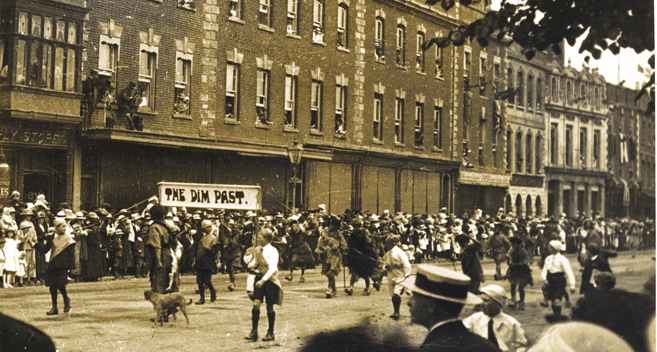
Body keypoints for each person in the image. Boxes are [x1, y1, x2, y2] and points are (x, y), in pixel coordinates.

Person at [405, 265, 499, 352]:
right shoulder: (486, 345)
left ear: (431, 307)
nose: (408, 302)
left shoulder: (431, 348)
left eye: (414, 297)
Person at [244, 228, 283, 342]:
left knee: (269, 306)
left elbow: (272, 269)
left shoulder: (273, 251)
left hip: (269, 280)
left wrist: (263, 280)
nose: (258, 239)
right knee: (256, 304)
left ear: (267, 238)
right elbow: (256, 262)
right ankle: (254, 331)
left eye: (260, 237)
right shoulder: (257, 250)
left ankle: (270, 332)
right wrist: (250, 264)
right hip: (259, 278)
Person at [462, 285, 528, 352]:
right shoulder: (474, 319)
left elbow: (521, 347)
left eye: (486, 300)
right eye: (481, 299)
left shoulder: (512, 324)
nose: (481, 303)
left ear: (498, 304)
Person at [35, 218, 75, 315]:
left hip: (63, 266)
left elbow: (71, 255)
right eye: (62, 226)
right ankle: (54, 308)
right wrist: (35, 244)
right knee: (52, 287)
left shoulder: (69, 239)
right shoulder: (51, 238)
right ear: (56, 228)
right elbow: (45, 250)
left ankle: (66, 300)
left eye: (65, 226)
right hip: (53, 265)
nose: (64, 228)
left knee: (61, 284)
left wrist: (71, 268)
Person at [540, 240, 576, 321]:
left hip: (559, 280)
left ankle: (557, 317)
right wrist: (544, 279)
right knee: (552, 300)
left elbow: (568, 271)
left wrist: (572, 285)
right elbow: (545, 270)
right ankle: (556, 315)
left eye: (550, 247)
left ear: (554, 249)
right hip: (550, 280)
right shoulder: (548, 258)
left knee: (557, 300)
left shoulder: (562, 259)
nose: (548, 248)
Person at [344, 218, 380, 296]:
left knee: (366, 274)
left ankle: (367, 288)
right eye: (353, 227)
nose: (354, 228)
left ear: (359, 226)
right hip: (355, 256)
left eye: (355, 227)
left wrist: (367, 246)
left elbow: (370, 244)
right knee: (354, 272)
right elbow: (349, 242)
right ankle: (350, 287)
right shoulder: (353, 234)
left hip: (365, 256)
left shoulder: (365, 233)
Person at [315, 215, 347, 298]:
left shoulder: (338, 234)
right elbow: (320, 243)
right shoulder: (325, 233)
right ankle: (334, 289)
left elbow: (344, 244)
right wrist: (324, 248)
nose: (331, 226)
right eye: (331, 224)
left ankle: (329, 289)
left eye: (333, 225)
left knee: (332, 271)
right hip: (325, 255)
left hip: (335, 256)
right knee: (327, 272)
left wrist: (340, 246)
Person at [382, 234, 411, 320]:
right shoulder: (387, 254)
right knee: (392, 294)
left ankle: (396, 312)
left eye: (388, 243)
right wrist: (385, 267)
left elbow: (407, 265)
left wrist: (407, 277)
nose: (386, 245)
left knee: (396, 294)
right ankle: (396, 310)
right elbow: (385, 264)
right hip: (391, 276)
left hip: (400, 276)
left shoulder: (400, 253)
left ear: (393, 243)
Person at [145, 204, 173, 293]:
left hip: (161, 254)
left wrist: (158, 260)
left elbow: (156, 246)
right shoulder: (165, 226)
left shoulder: (154, 227)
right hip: (168, 253)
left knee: (159, 278)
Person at [194, 220, 219, 305]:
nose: (210, 228)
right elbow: (195, 249)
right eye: (207, 227)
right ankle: (202, 298)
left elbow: (215, 251)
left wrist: (209, 249)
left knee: (207, 280)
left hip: (208, 260)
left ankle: (212, 291)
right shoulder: (200, 238)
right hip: (200, 260)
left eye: (210, 227)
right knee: (200, 281)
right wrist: (194, 260)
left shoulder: (213, 238)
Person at [506, 236, 533, 310]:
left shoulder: (523, 251)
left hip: (523, 270)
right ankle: (513, 300)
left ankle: (522, 301)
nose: (514, 245)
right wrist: (509, 262)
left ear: (519, 244)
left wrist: (521, 263)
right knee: (513, 284)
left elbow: (526, 259)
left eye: (516, 244)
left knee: (521, 287)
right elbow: (508, 257)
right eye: (513, 244)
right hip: (514, 270)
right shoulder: (512, 250)